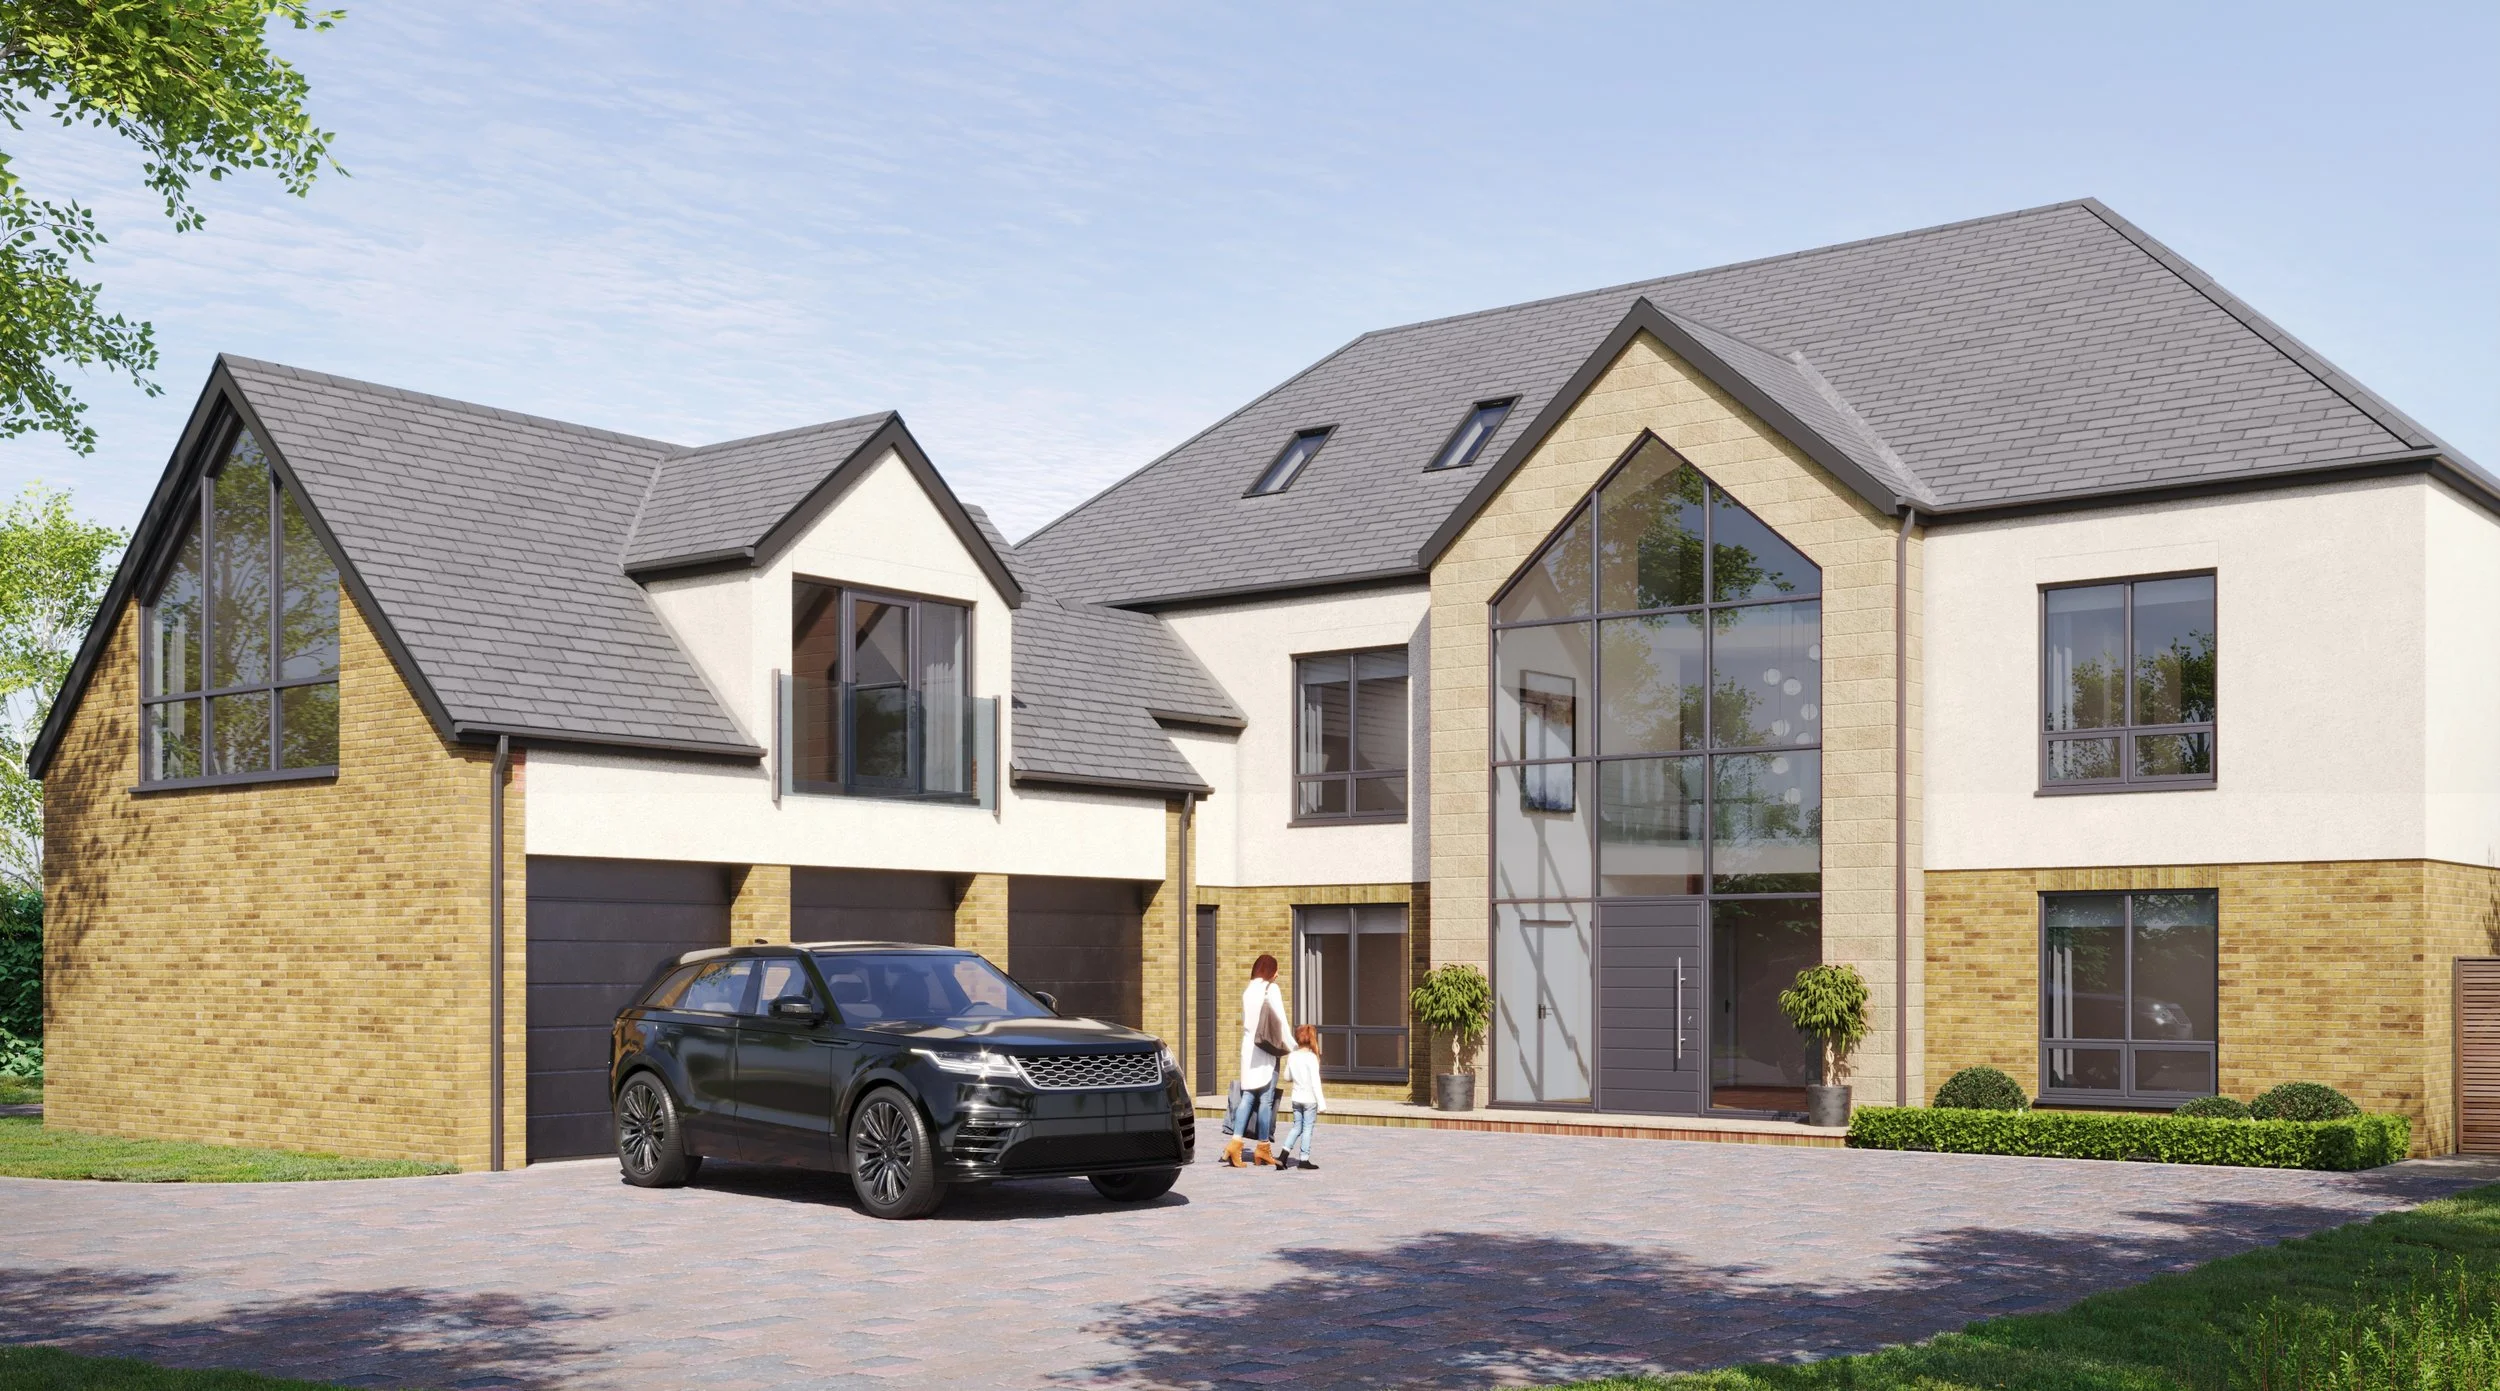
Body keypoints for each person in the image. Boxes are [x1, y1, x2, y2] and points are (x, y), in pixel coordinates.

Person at [1222, 953, 1291, 1168]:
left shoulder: (1248, 991)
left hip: (1249, 1050)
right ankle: (1263, 1147)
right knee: (1266, 1100)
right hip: (1266, 1049)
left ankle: (1235, 1144)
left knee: (1247, 1097)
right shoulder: (1271, 989)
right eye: (1276, 970)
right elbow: (1281, 1021)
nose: (1277, 974)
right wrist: (1293, 1047)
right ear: (1269, 971)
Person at [1276, 1024, 1326, 1171]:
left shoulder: (1292, 1056)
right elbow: (1315, 1083)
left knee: (1296, 1127)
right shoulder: (1312, 1058)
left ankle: (1283, 1156)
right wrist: (1322, 1103)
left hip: (1296, 1098)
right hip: (1309, 1099)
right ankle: (1304, 1160)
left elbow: (1286, 1077)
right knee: (1307, 1128)